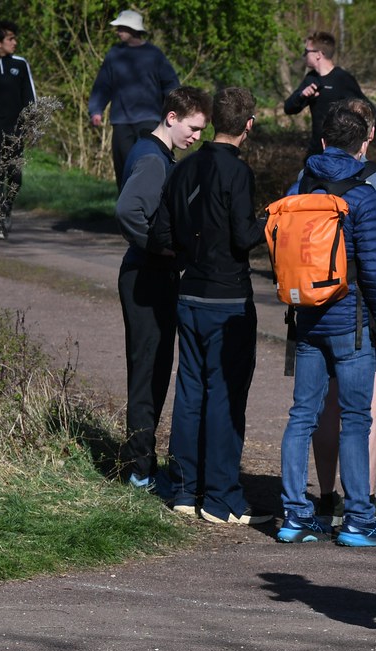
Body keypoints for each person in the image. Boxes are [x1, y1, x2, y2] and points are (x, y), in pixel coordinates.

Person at [277, 102, 376, 548]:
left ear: (324, 141)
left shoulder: (299, 188)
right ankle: (358, 520)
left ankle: (295, 515)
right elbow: (374, 271)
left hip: (306, 320)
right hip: (352, 324)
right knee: (355, 419)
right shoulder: (363, 196)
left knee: (302, 415)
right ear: (362, 145)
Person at [146, 87, 271, 524]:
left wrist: (189, 253)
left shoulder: (182, 168)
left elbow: (161, 234)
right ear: (248, 125)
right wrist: (270, 222)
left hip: (189, 292)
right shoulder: (238, 172)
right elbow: (243, 236)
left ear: (214, 120)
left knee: (190, 390)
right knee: (224, 395)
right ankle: (220, 498)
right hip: (228, 297)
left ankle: (184, 489)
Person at [310, 98, 376, 533]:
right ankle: (364, 502)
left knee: (323, 405)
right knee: (371, 403)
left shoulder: (309, 177)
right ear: (369, 135)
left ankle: (325, 499)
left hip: (315, 301)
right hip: (365, 306)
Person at [115, 86, 211, 489]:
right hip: (146, 277)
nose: (197, 137)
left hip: (150, 274)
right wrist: (160, 248)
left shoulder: (153, 152)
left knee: (154, 370)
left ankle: (143, 463)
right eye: (193, 128)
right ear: (171, 117)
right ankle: (139, 470)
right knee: (148, 372)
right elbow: (127, 210)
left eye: (202, 130)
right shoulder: (153, 159)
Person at [89, 9, 180, 190]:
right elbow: (103, 85)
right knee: (124, 169)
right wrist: (96, 110)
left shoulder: (154, 54)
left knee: (152, 165)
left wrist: (174, 111)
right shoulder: (115, 54)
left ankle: (153, 204)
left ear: (133, 29)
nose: (118, 31)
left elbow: (170, 84)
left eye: (122, 28)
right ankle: (124, 205)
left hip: (150, 120)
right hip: (121, 122)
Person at [283, 31, 376, 161]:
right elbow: (288, 108)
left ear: (318, 54)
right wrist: (301, 95)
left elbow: (368, 110)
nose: (304, 55)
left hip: (341, 153)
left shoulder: (342, 79)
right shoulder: (311, 79)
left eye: (306, 51)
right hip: (317, 152)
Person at [0, 19, 36, 238]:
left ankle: (7, 207)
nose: (15, 42)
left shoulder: (20, 64)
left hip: (16, 127)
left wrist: (32, 125)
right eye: (10, 39)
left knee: (15, 174)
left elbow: (30, 97)